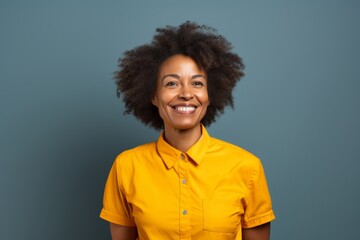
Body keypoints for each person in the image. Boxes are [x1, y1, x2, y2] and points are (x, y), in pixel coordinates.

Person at [100, 21, 275, 240]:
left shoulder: (247, 168)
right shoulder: (126, 167)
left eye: (197, 83)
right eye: (172, 84)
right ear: (153, 95)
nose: (186, 93)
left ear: (210, 95)